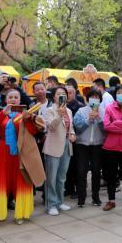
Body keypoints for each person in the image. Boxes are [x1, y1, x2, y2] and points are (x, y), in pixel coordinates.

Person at [0, 90, 45, 223]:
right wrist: (3, 114)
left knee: (22, 181)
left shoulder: (24, 115)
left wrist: (29, 119)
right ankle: (0, 213)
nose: (13, 99)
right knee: (2, 181)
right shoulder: (0, 113)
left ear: (20, 100)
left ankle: (21, 214)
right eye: (10, 97)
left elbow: (33, 131)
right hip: (3, 152)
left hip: (21, 152)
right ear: (5, 99)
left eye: (16, 97)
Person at [42, 86, 76, 215]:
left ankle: (60, 201)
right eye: (59, 94)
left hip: (67, 146)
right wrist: (59, 114)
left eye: (64, 94)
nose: (62, 96)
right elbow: (51, 127)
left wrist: (73, 134)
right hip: (53, 146)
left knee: (61, 177)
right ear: (54, 97)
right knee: (51, 177)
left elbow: (70, 127)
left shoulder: (69, 111)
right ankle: (51, 204)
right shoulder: (50, 110)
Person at [73, 89, 106, 207]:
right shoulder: (81, 111)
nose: (94, 99)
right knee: (81, 171)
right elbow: (77, 127)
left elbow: (106, 129)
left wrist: (99, 119)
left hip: (98, 145)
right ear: (87, 99)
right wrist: (88, 120)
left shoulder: (104, 111)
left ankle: (95, 198)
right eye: (92, 97)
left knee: (96, 172)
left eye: (97, 97)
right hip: (82, 145)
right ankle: (81, 198)